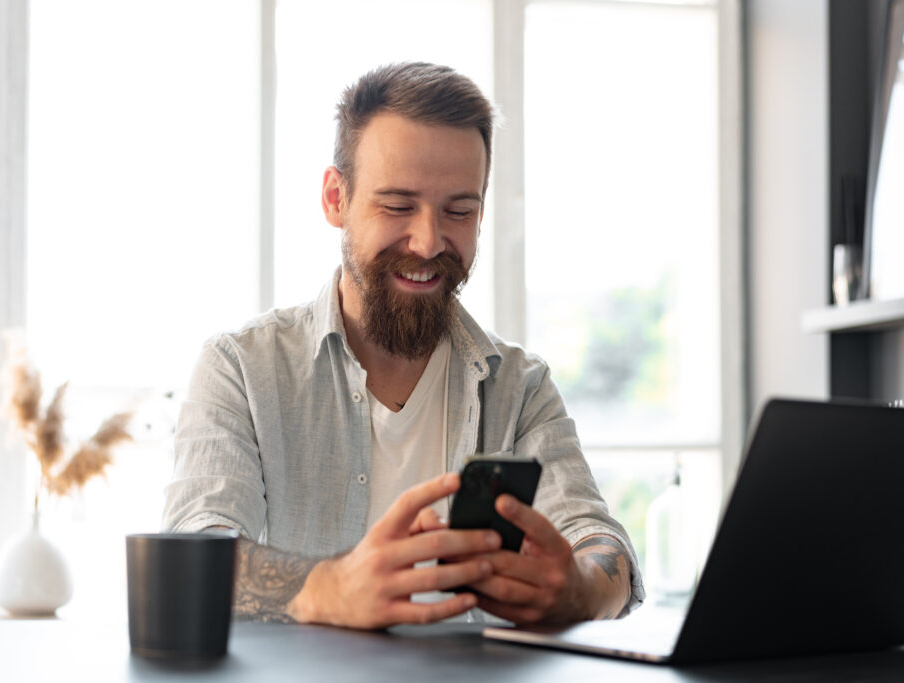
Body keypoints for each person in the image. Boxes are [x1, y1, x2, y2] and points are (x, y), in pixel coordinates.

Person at [163, 62, 644, 629]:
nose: (429, 240)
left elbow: (602, 544)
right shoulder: (240, 368)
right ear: (335, 198)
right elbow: (194, 553)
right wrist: (327, 588)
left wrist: (581, 589)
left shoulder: (520, 386)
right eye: (397, 206)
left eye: (459, 210)